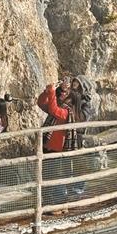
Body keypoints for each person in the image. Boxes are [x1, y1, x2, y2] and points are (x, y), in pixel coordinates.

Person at [39, 81, 92, 209]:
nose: (62, 95)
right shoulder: (62, 108)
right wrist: (47, 92)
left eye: (66, 95)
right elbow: (41, 103)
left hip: (56, 149)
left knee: (55, 178)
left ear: (70, 101)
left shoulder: (67, 112)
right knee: (48, 176)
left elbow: (53, 109)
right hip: (50, 147)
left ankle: (58, 205)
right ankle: (51, 204)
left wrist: (52, 92)